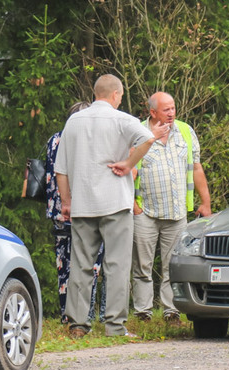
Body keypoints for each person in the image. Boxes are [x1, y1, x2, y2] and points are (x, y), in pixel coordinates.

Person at [54, 74, 160, 338]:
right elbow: (148, 138)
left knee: (80, 265)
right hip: (115, 203)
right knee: (117, 266)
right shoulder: (122, 119)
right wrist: (128, 163)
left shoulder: (74, 121)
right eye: (121, 96)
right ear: (115, 94)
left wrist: (66, 202)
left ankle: (78, 324)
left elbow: (61, 168)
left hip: (83, 204)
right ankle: (114, 326)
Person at [131, 91, 212, 324]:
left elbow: (196, 168)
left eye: (173, 108)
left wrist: (205, 202)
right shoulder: (138, 132)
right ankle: (143, 312)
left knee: (172, 265)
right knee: (142, 266)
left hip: (177, 213)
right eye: (166, 109)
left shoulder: (185, 131)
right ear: (152, 112)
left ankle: (171, 311)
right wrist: (132, 205)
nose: (171, 113)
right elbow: (127, 168)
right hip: (145, 211)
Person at [45, 102, 107, 324]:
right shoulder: (84, 142)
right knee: (89, 263)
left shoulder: (55, 139)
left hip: (59, 210)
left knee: (64, 264)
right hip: (82, 208)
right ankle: (84, 314)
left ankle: (66, 313)